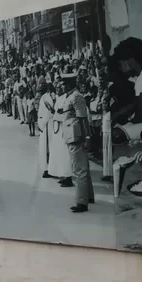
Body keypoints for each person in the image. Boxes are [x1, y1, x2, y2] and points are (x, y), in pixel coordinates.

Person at [58, 75, 94, 213]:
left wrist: (87, 137)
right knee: (83, 167)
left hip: (76, 136)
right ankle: (88, 197)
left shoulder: (76, 96)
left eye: (64, 83)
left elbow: (83, 119)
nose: (62, 85)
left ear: (70, 83)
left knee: (79, 169)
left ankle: (81, 202)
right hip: (72, 135)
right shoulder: (70, 96)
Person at [37, 82, 56, 177]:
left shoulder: (46, 97)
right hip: (46, 124)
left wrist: (42, 124)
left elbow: (48, 112)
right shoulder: (45, 96)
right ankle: (48, 168)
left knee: (46, 147)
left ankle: (47, 169)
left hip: (46, 125)